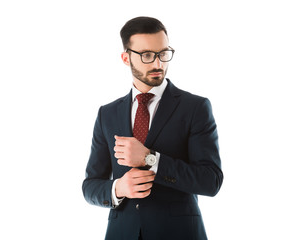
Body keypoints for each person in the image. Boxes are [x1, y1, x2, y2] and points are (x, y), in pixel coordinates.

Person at [82, 16, 223, 240]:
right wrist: (118, 189)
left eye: (163, 54)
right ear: (126, 58)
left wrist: (150, 159)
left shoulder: (195, 107)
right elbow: (90, 186)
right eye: (147, 55)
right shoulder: (107, 114)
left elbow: (211, 181)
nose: (158, 64)